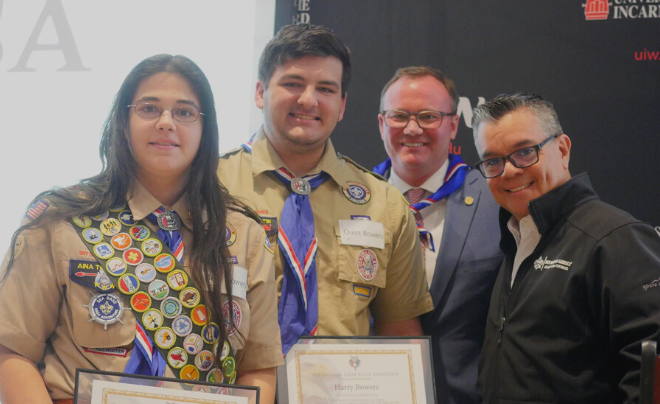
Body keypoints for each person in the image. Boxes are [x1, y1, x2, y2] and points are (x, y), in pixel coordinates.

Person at [0, 54, 282, 404]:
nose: (166, 122)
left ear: (204, 130)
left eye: (184, 112)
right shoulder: (60, 221)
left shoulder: (245, 236)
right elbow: (12, 352)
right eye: (149, 109)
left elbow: (257, 370)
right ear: (123, 122)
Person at [217, 24, 433, 355]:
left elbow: (400, 331)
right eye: (292, 83)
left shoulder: (385, 204)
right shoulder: (209, 185)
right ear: (260, 92)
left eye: (326, 89)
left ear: (342, 104)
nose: (308, 100)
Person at [472, 92, 660, 403]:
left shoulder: (614, 238)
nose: (508, 171)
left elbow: (649, 370)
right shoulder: (516, 238)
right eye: (492, 161)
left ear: (562, 149)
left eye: (524, 152)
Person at [373, 67, 502, 404]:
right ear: (381, 123)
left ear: (454, 124)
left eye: (428, 116)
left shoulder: (499, 201)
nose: (412, 128)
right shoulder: (348, 200)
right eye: (399, 116)